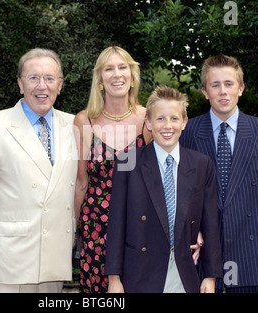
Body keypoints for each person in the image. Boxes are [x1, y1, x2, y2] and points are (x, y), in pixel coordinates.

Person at [0, 48, 78, 293]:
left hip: (55, 256)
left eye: (49, 78)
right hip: (10, 259)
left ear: (60, 85)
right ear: (20, 83)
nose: (42, 86)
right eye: (33, 78)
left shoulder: (76, 125)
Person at [179, 54, 258, 293]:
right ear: (205, 91)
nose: (222, 92)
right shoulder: (187, 131)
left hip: (253, 257)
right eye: (215, 85)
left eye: (229, 84)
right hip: (202, 255)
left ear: (241, 88)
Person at [105, 85, 222, 293]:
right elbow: (116, 225)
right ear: (148, 123)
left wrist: (211, 276)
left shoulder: (202, 164)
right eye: (160, 119)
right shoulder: (127, 161)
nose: (167, 126)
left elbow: (211, 223)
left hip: (184, 272)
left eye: (174, 119)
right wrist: (114, 279)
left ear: (184, 122)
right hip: (139, 274)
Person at [74, 46, 152, 293]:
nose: (117, 74)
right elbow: (81, 182)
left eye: (123, 67)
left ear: (132, 75)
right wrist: (76, 232)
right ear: (100, 78)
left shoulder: (149, 120)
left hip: (139, 228)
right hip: (96, 229)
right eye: (109, 68)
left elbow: (159, 182)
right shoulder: (84, 120)